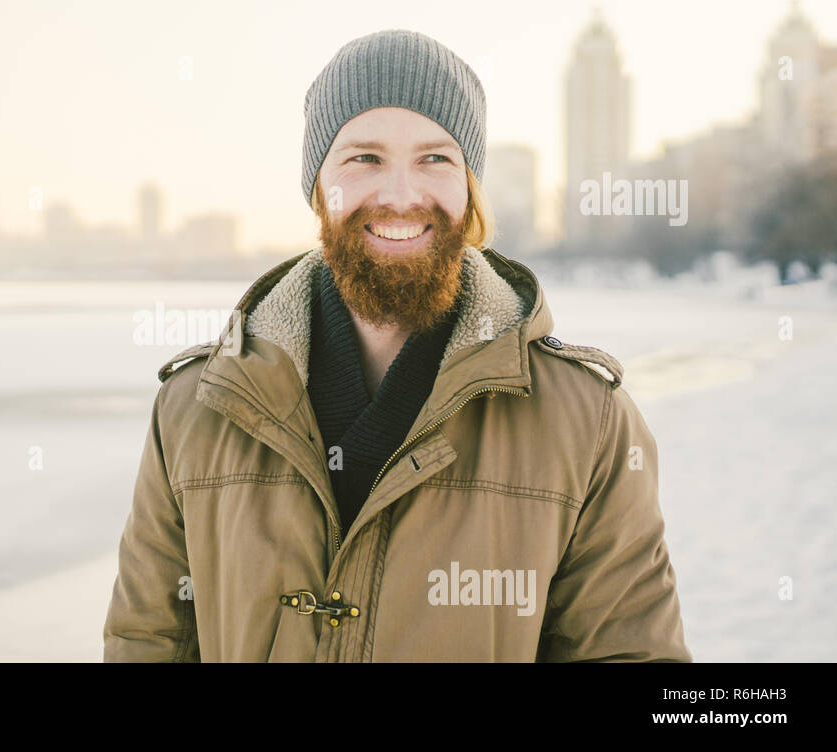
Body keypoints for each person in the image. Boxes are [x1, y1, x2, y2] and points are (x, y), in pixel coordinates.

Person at [103, 29, 691, 662]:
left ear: (470, 186)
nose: (402, 195)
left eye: (435, 159)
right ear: (317, 186)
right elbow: (147, 643)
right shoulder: (195, 409)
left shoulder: (588, 422)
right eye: (365, 159)